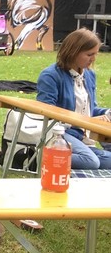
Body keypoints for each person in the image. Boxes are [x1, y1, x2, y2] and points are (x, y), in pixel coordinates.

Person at [36, 28, 111, 169]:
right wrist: (86, 121)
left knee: (95, 161)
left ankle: (80, 156)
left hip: (83, 138)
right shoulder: (50, 76)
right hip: (60, 134)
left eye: (95, 54)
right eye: (89, 54)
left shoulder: (89, 75)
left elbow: (90, 110)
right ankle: (35, 157)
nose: (93, 59)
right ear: (73, 52)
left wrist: (107, 113)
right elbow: (46, 114)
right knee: (91, 162)